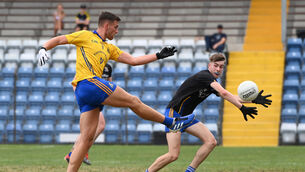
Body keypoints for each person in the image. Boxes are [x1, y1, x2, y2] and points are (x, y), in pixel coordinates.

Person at [37, 11, 195, 172]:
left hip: (85, 93)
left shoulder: (109, 47)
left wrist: (158, 55)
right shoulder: (85, 35)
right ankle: (172, 123)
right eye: (116, 27)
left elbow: (133, 61)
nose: (117, 31)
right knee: (133, 101)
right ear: (107, 25)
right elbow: (60, 39)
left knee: (86, 139)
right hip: (89, 83)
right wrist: (44, 48)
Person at [145, 53, 272, 172]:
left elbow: (229, 96)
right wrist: (241, 108)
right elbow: (224, 93)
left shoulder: (212, 83)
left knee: (211, 142)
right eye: (215, 66)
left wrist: (253, 100)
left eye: (221, 67)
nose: (218, 69)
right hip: (174, 114)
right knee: (173, 155)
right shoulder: (205, 76)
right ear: (209, 66)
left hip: (187, 117)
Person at [64, 63, 113, 165]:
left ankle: (74, 153)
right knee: (99, 126)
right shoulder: (90, 63)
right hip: (89, 99)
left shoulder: (108, 67)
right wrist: (80, 96)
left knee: (93, 128)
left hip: (99, 99)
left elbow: (110, 84)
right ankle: (79, 152)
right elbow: (75, 82)